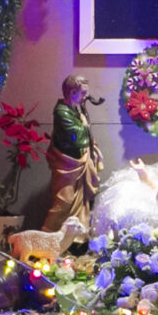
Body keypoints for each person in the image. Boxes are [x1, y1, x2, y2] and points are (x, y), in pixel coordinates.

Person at [39, 75, 104, 231]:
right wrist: (84, 124)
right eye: (82, 93)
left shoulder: (76, 109)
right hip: (67, 164)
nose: (85, 97)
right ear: (70, 93)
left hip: (80, 161)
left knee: (82, 201)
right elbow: (74, 136)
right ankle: (47, 235)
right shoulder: (62, 112)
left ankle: (75, 238)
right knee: (64, 200)